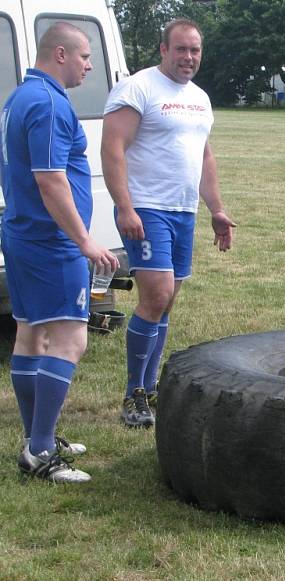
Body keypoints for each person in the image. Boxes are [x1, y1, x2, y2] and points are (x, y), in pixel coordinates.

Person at [101, 18, 236, 428]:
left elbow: (204, 157)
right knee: (156, 296)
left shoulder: (200, 98)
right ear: (163, 50)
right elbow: (112, 147)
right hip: (145, 209)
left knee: (167, 301)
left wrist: (215, 209)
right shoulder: (138, 88)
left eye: (195, 50)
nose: (188, 58)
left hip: (182, 211)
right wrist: (124, 207)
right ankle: (133, 394)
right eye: (181, 49)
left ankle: (152, 387)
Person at [1, 22, 120, 482]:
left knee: (30, 336)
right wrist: (85, 241)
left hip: (22, 233)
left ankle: (38, 436)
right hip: (51, 243)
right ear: (61, 54)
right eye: (85, 56)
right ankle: (40, 451)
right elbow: (51, 180)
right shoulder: (49, 103)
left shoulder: (18, 97)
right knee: (72, 340)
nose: (90, 65)